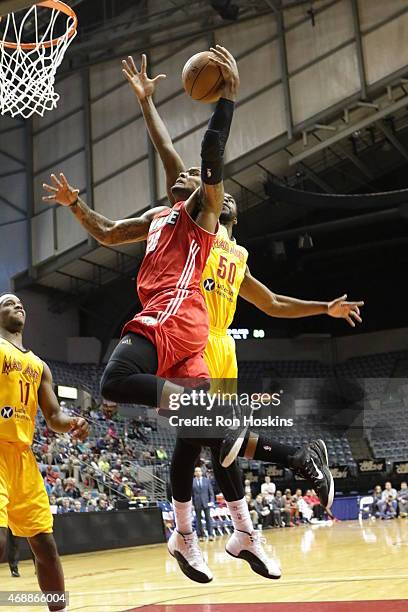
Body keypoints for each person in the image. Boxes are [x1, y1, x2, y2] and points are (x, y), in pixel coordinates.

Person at [122, 51, 364, 581]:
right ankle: (285, 474)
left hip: (220, 346)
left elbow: (274, 303)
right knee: (214, 440)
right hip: (185, 336)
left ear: (231, 211)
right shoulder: (193, 228)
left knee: (203, 447)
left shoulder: (233, 254)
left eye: (220, 194)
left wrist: (324, 306)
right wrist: (149, 105)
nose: (215, 192)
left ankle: (205, 534)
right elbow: (170, 158)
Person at [43, 45, 238, 585]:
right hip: (160, 322)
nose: (175, 178)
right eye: (174, 180)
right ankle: (195, 530)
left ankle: (233, 516)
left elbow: (177, 151)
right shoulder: (159, 215)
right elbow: (106, 232)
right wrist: (76, 205)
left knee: (174, 416)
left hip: (180, 322)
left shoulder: (196, 212)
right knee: (184, 425)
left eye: (186, 179)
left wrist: (221, 102)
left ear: (197, 190)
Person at [0, 293, 89, 612]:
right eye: (9, 303)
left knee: (45, 546)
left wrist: (74, 422)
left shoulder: (39, 365)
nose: (18, 305)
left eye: (20, 303)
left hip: (23, 459)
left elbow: (53, 417)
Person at [192, 467, 215, 541]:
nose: (198, 472)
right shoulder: (192, 482)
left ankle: (210, 535)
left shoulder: (206, 480)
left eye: (199, 471)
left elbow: (211, 492)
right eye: (196, 471)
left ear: (202, 472)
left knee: (208, 519)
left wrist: (211, 501)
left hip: (206, 503)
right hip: (197, 503)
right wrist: (192, 504)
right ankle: (200, 536)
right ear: (194, 473)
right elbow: (191, 494)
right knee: (198, 520)